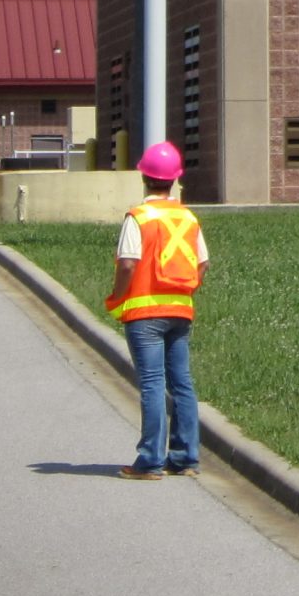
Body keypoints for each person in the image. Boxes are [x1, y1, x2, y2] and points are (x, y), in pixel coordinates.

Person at [105, 140, 207, 481]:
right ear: (175, 178)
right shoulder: (188, 218)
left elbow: (129, 263)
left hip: (144, 314)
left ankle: (149, 461)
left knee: (151, 384)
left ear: (144, 176)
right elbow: (202, 263)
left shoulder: (138, 217)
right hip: (180, 309)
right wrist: (186, 290)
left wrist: (118, 296)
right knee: (182, 383)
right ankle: (185, 458)